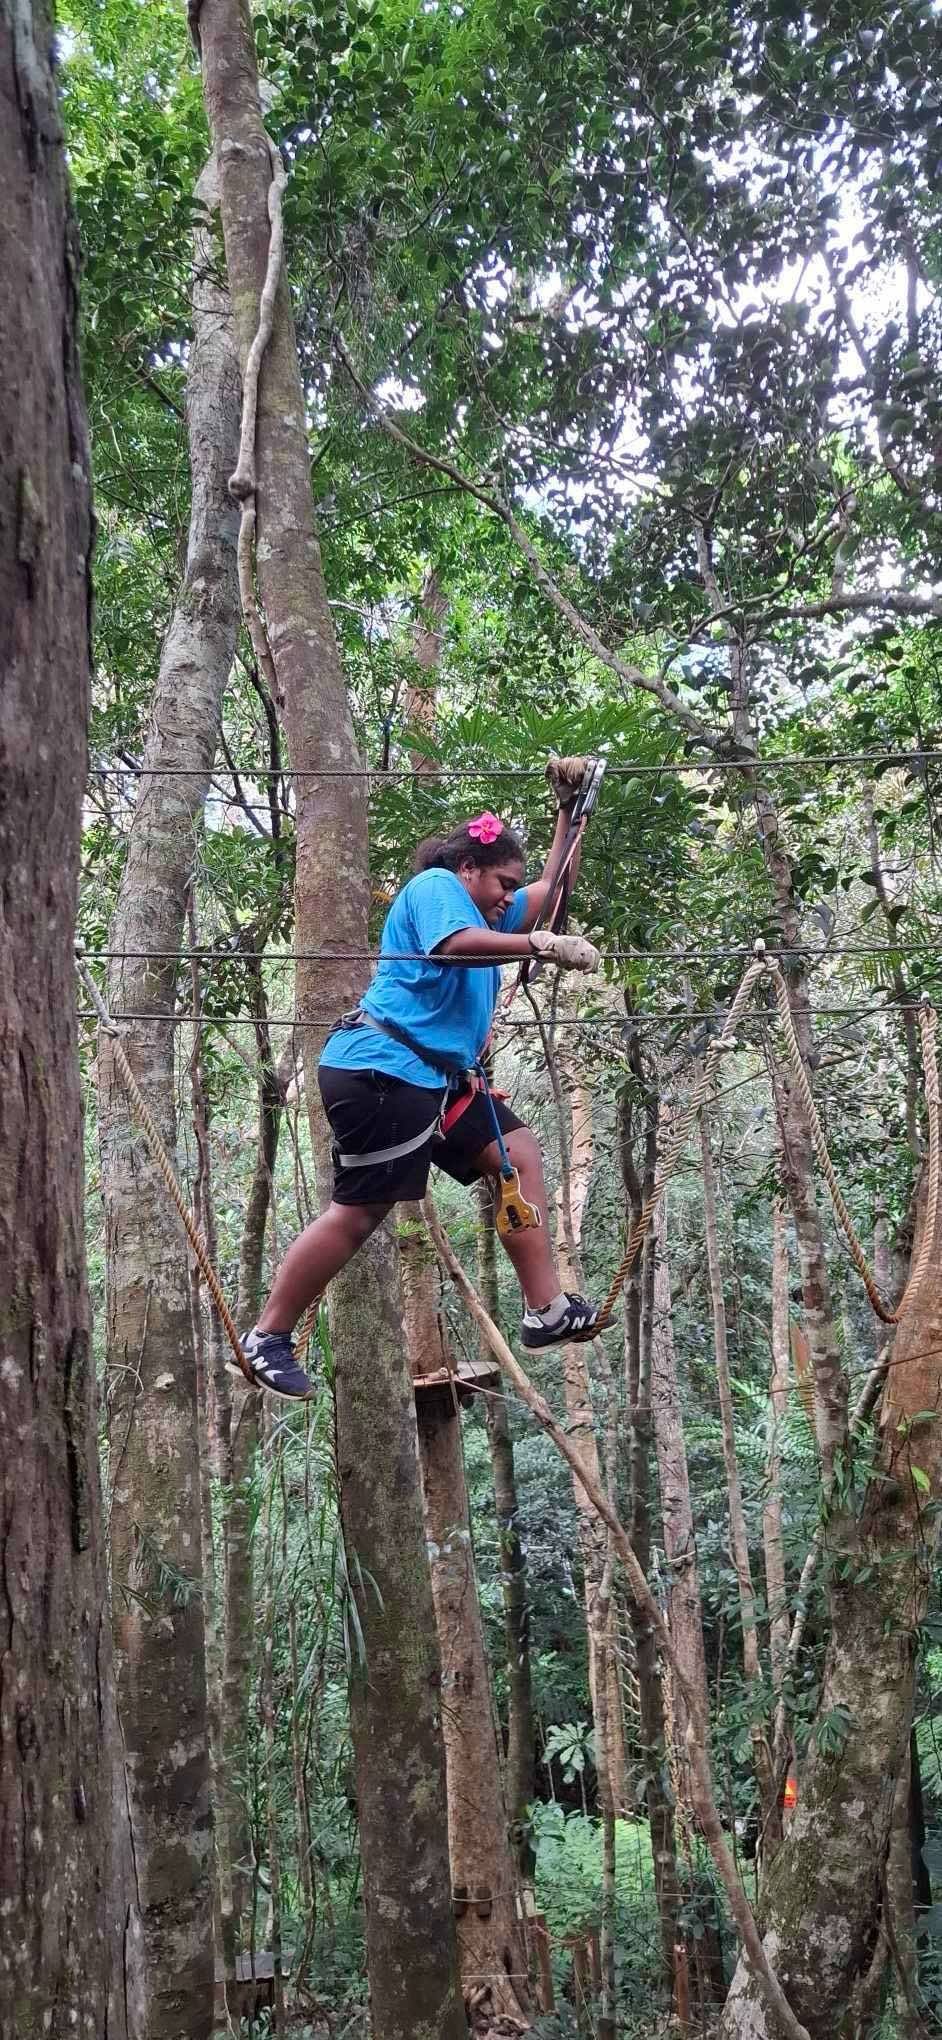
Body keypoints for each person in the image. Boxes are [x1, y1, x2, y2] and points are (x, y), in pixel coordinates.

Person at [242, 756, 603, 1397]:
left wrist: (568, 815)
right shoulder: (438, 887)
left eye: (510, 888)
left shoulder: (490, 916)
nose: (508, 897)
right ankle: (267, 1338)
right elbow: (452, 947)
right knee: (360, 1214)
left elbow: (551, 890)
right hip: (379, 1070)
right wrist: (541, 946)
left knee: (516, 1152)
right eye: (501, 883)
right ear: (468, 869)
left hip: (433, 1081)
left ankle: (546, 1310)